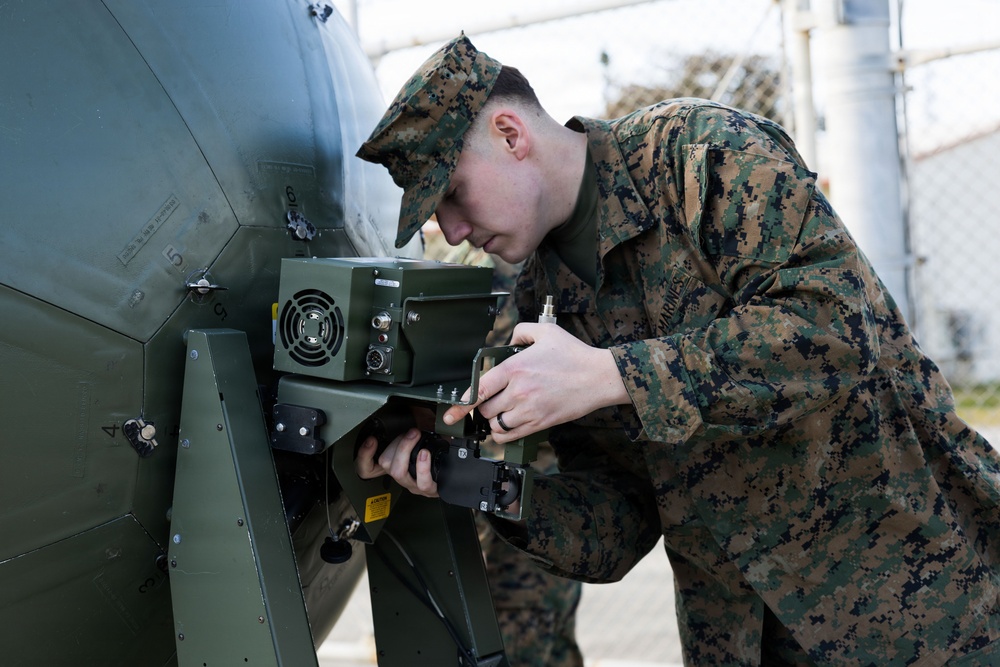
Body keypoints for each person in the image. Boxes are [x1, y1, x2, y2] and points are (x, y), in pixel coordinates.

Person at [354, 33, 1000, 665]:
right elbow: (619, 522)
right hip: (739, 637)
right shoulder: (542, 299)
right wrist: (481, 484)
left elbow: (834, 330)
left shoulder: (700, 156)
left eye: (452, 194)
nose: (454, 232)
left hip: (917, 606)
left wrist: (612, 375)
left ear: (510, 134)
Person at [422, 225, 584, 667]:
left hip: (521, 499)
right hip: (494, 494)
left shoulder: (525, 266)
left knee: (524, 640)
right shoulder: (486, 255)